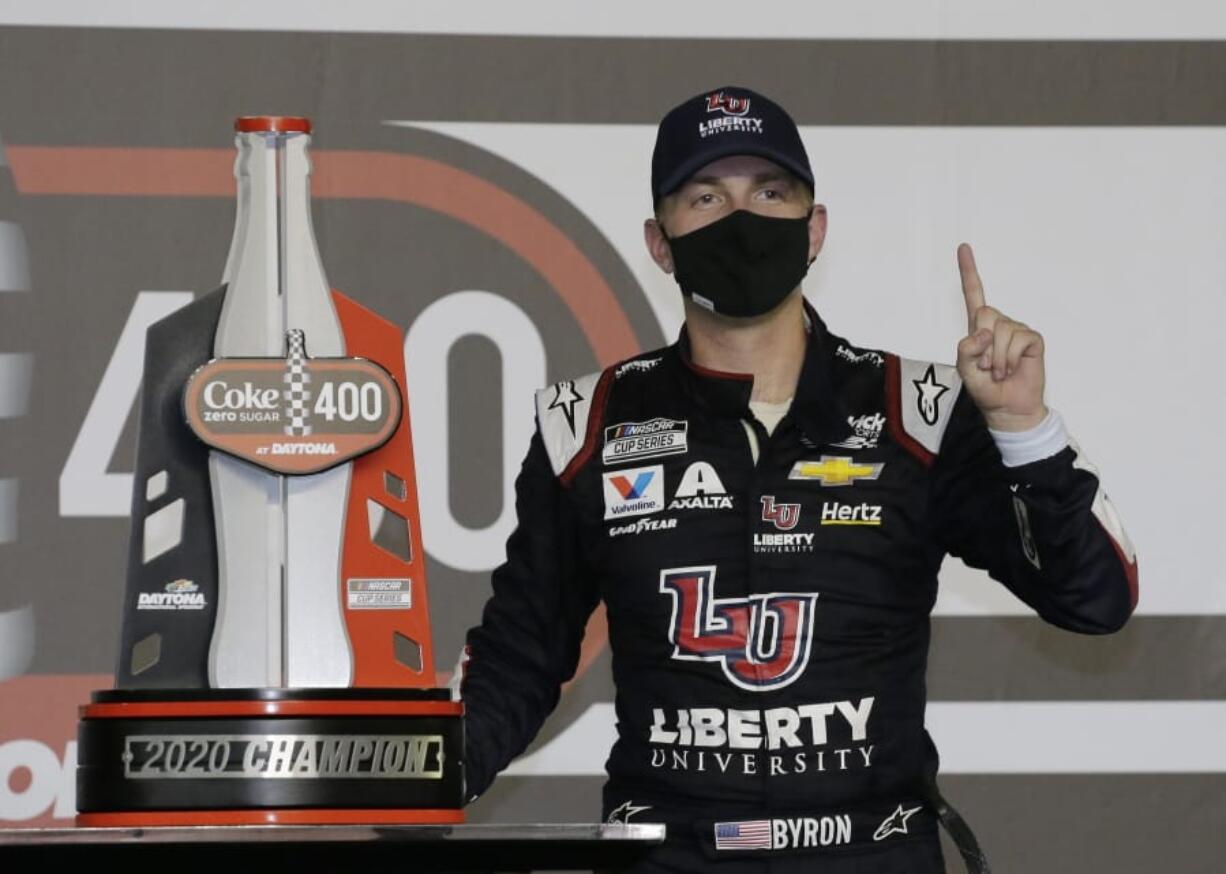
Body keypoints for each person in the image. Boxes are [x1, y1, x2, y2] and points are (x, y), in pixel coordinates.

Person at [454, 85, 1138, 873]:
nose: (740, 219)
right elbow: (521, 655)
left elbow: (1096, 600)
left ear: (815, 230)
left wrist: (1024, 426)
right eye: (705, 197)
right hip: (670, 856)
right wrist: (424, 781)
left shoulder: (919, 413)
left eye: (769, 193)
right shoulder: (587, 426)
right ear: (659, 241)